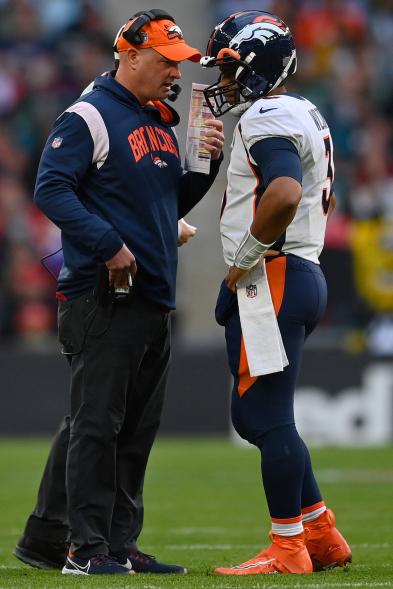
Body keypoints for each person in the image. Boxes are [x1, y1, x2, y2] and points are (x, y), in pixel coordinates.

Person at [14, 8, 224, 576]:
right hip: (102, 295)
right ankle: (84, 549)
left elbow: (163, 207)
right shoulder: (88, 115)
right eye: (165, 61)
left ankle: (118, 543)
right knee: (97, 426)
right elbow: (51, 188)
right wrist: (108, 245)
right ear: (129, 55)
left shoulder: (154, 119)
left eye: (179, 63)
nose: (175, 74)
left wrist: (207, 162)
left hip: (151, 296)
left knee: (133, 430)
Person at [200, 10, 352, 576]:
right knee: (260, 414)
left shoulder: (267, 113)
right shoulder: (300, 108)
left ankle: (288, 547)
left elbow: (284, 191)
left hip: (276, 273)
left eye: (229, 67)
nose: (222, 81)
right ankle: (321, 532)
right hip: (300, 270)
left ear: (257, 65)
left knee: (263, 416)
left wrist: (240, 264)